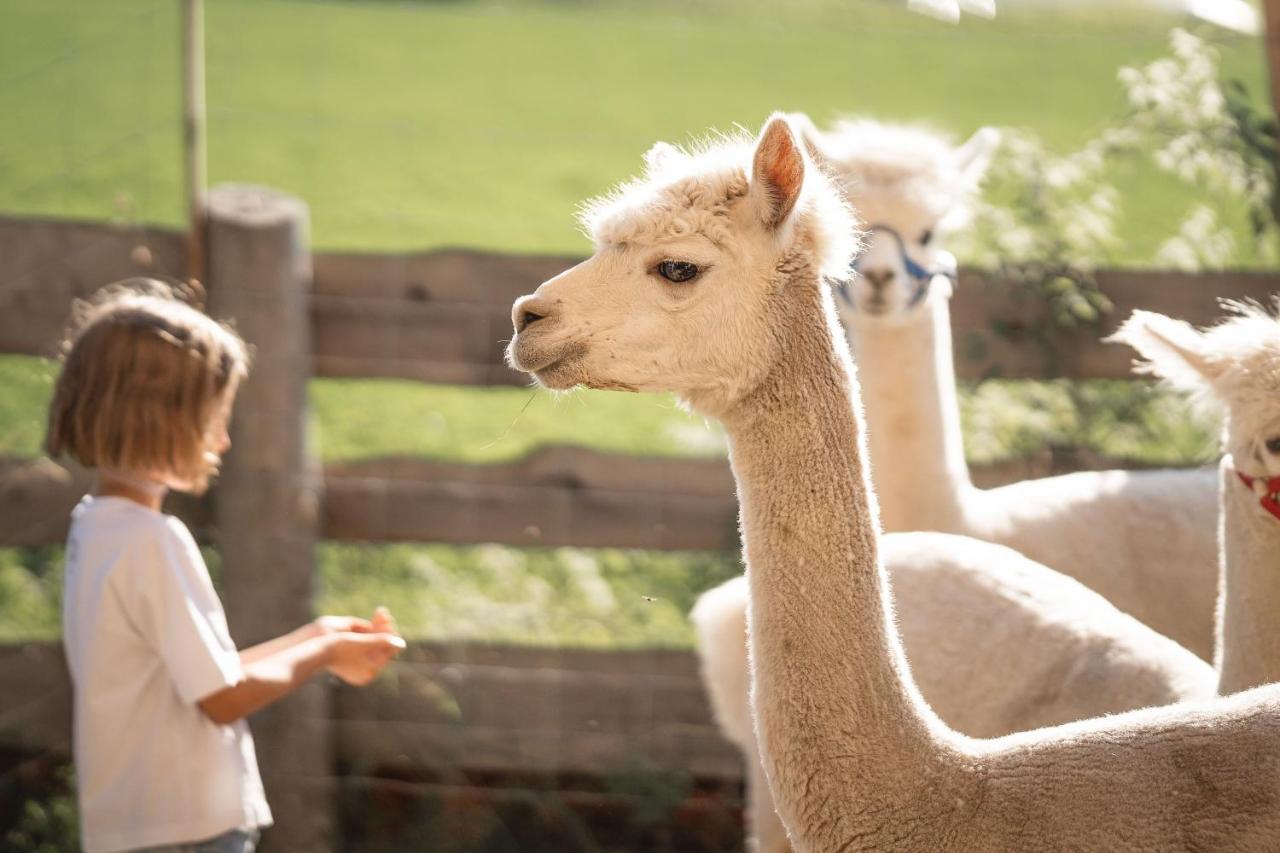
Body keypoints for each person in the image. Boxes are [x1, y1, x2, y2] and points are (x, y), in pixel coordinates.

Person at [46, 280, 405, 853]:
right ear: (163, 419)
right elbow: (222, 699)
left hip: (135, 826)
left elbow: (200, 676)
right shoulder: (154, 541)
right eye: (214, 417)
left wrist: (319, 634)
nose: (224, 438)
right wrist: (323, 654)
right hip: (188, 832)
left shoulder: (96, 526)